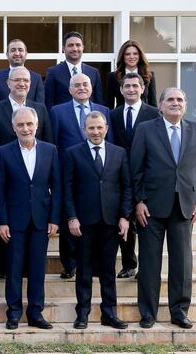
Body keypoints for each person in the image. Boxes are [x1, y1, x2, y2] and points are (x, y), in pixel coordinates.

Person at [131, 87, 196, 329]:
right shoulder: (146, 129)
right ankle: (148, 313)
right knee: (149, 263)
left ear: (185, 105)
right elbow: (136, 168)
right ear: (161, 105)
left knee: (182, 263)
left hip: (184, 207)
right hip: (151, 208)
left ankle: (179, 312)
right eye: (171, 100)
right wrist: (138, 201)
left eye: (180, 100)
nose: (175, 103)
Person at [0, 66, 52, 279]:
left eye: (26, 80)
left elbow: (47, 141)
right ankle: (5, 268)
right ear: (8, 83)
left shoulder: (40, 109)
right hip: (6, 177)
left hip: (33, 179)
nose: (22, 84)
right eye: (17, 80)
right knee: (8, 230)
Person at [63, 111, 131, 330]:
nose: (95, 131)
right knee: (83, 270)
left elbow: (127, 187)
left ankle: (109, 313)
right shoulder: (73, 153)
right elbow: (67, 189)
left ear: (106, 129)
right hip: (83, 222)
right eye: (91, 128)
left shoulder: (119, 153)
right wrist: (72, 217)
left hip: (111, 222)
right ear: (85, 129)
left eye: (99, 127)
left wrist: (124, 216)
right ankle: (82, 313)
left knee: (108, 270)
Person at [0, 106, 61, 330]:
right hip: (14, 221)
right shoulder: (3, 152)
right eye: (21, 125)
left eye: (29, 124)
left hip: (41, 220)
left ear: (37, 125)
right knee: (13, 268)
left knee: (37, 269)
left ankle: (35, 312)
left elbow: (57, 187)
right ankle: (13, 313)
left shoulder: (50, 150)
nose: (25, 128)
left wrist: (55, 218)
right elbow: (0, 190)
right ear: (14, 128)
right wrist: (2, 221)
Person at [50, 72, 112, 279]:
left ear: (92, 87)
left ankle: (92, 263)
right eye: (77, 85)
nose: (82, 88)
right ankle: (69, 263)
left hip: (95, 173)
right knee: (69, 217)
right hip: (67, 171)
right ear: (70, 90)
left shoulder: (103, 111)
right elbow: (53, 143)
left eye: (85, 84)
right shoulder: (58, 111)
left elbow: (108, 144)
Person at [109, 72, 159, 278]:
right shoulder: (113, 114)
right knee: (124, 219)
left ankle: (145, 266)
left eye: (134, 86)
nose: (130, 89)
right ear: (120, 90)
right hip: (120, 173)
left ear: (142, 89)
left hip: (146, 174)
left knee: (146, 222)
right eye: (126, 86)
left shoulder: (154, 113)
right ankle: (129, 264)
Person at [44, 31, 104, 109]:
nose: (75, 49)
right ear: (63, 48)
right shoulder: (53, 72)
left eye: (78, 45)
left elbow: (99, 101)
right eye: (70, 45)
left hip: (89, 119)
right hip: (63, 119)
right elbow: (48, 102)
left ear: (83, 47)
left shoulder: (93, 72)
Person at [0, 39, 45, 106]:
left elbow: (40, 108)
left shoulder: (36, 78)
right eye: (13, 50)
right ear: (7, 55)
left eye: (20, 50)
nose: (17, 53)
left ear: (26, 54)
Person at [105, 40, 157, 108]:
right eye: (127, 54)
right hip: (120, 117)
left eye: (135, 54)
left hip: (145, 117)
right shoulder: (113, 76)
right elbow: (109, 104)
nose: (131, 57)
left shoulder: (149, 76)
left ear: (140, 56)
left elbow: (153, 103)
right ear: (123, 56)